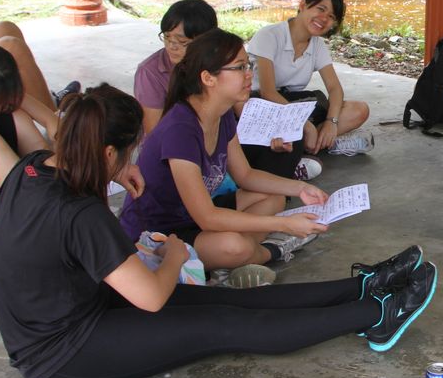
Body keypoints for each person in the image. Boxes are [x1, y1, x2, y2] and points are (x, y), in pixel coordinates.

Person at [0, 83, 439, 378]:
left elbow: (74, 225)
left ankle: (360, 286)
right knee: (223, 325)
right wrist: (175, 254)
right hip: (61, 352)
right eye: (128, 153)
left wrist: (116, 171)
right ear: (105, 151)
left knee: (231, 301)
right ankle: (375, 314)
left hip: (82, 305)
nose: (133, 161)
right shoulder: (80, 212)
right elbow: (150, 297)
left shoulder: (33, 168)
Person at [119, 28, 338, 270]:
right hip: (157, 234)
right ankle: (270, 251)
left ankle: (234, 258)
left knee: (274, 198)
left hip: (194, 218)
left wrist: (301, 188)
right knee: (233, 246)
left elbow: (246, 175)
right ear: (208, 78)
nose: (249, 74)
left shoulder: (221, 114)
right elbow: (207, 217)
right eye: (239, 67)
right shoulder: (180, 130)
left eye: (248, 65)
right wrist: (283, 225)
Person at [247, 0, 371, 157]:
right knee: (290, 130)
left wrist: (331, 122)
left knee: (359, 110)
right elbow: (267, 92)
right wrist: (305, 125)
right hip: (264, 108)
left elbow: (335, 89)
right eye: (321, 9)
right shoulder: (270, 35)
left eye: (331, 16)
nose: (324, 19)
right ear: (303, 5)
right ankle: (317, 144)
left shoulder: (317, 45)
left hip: (293, 106)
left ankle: (313, 144)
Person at [134, 0, 219, 136]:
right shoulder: (150, 73)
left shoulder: (219, 61)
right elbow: (154, 134)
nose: (172, 46)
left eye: (182, 41)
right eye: (167, 37)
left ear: (206, 40)